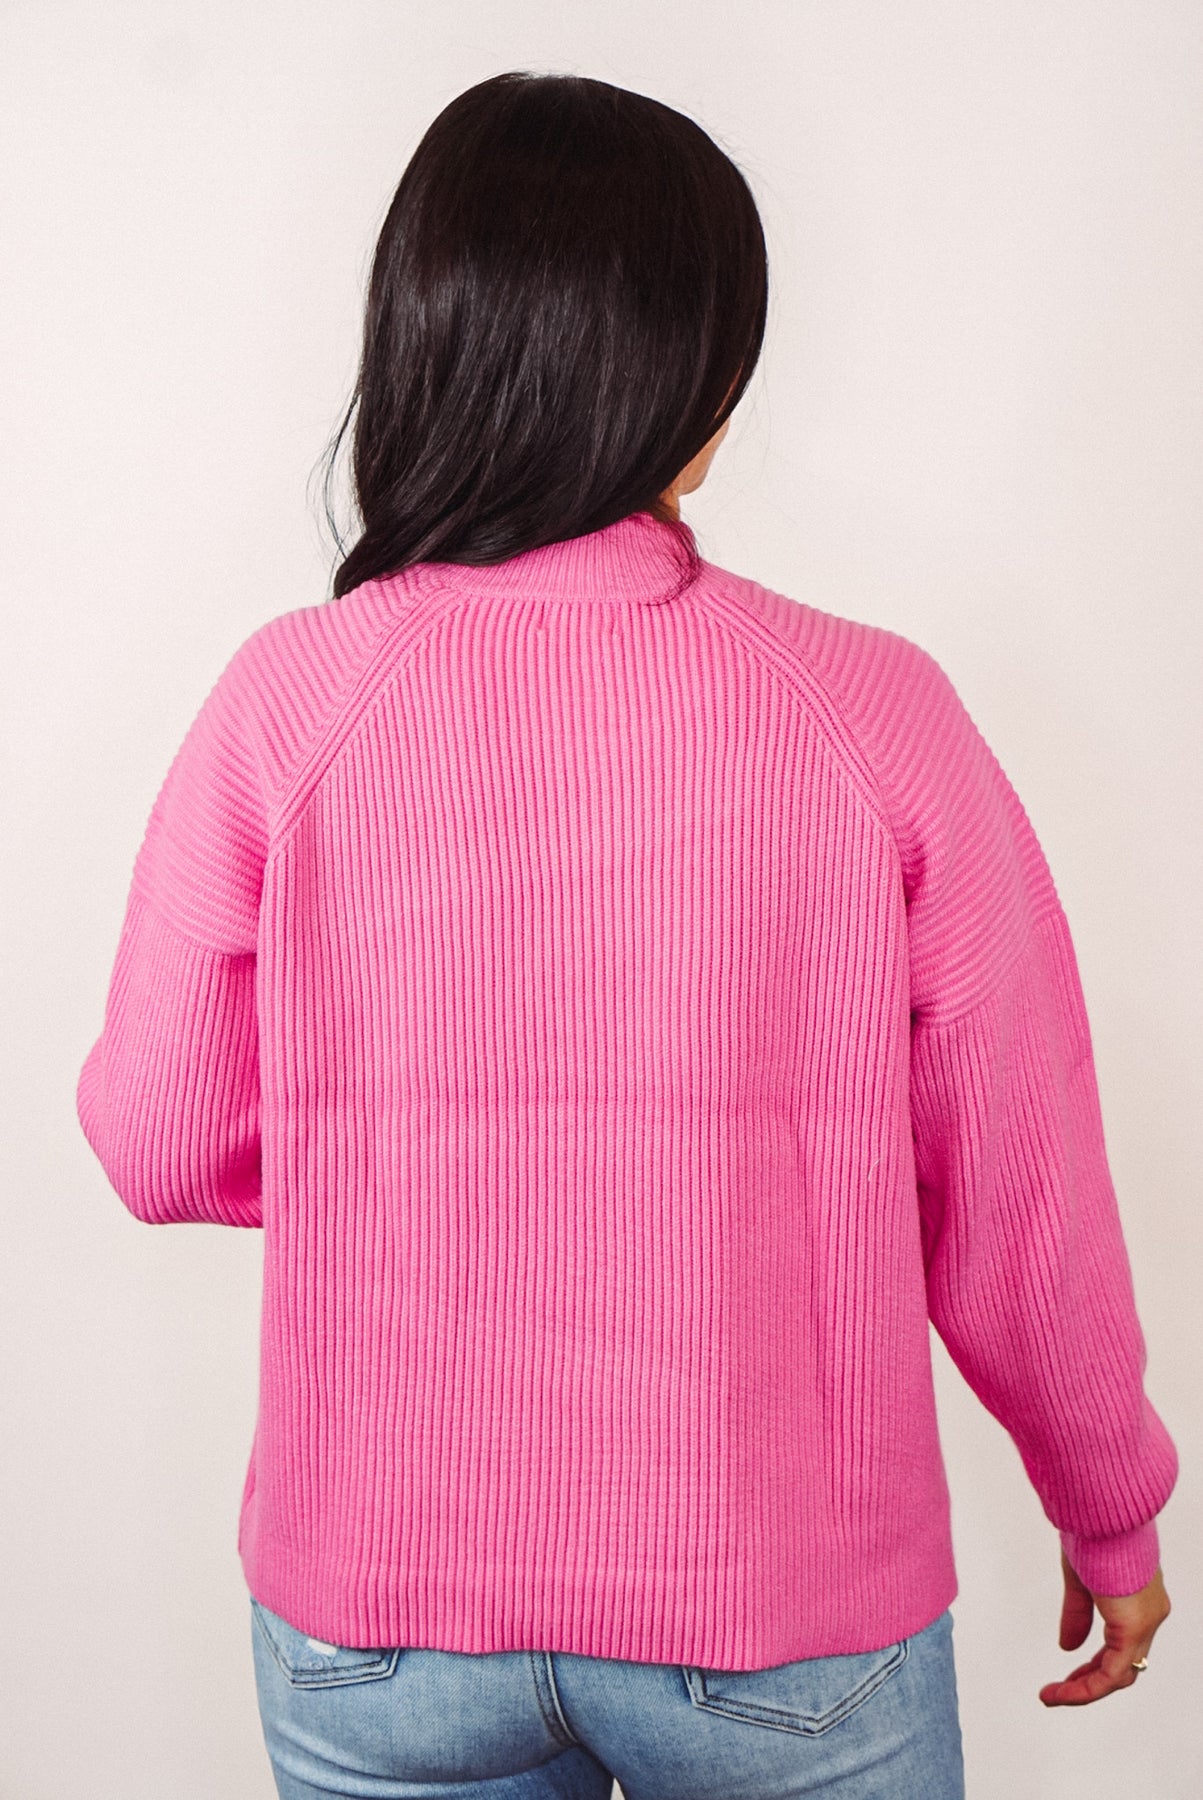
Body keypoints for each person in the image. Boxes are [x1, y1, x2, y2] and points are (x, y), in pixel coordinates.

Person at [76, 70, 1176, 1800]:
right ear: (690, 373)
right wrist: (1108, 1508)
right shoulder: (867, 711)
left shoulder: (292, 701)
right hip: (783, 1613)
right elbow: (1017, 1183)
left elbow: (153, 1140)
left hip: (377, 1618)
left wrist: (414, 1139)